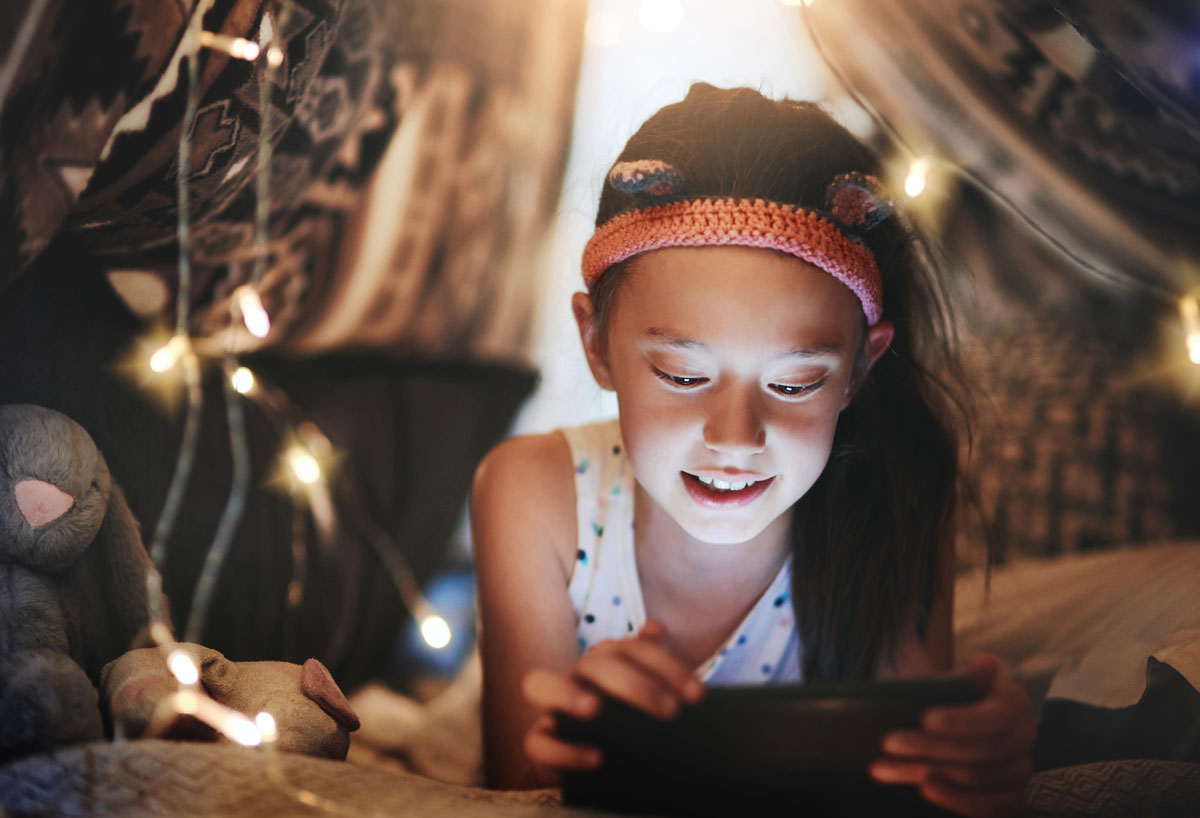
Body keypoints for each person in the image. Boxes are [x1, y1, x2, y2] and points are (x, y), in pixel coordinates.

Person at [471, 83, 1034, 817]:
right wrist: (572, 750)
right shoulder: (534, 497)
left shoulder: (901, 495)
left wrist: (971, 768)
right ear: (596, 344)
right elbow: (507, 794)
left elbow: (907, 781)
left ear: (860, 370)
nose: (736, 437)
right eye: (682, 375)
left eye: (797, 384)